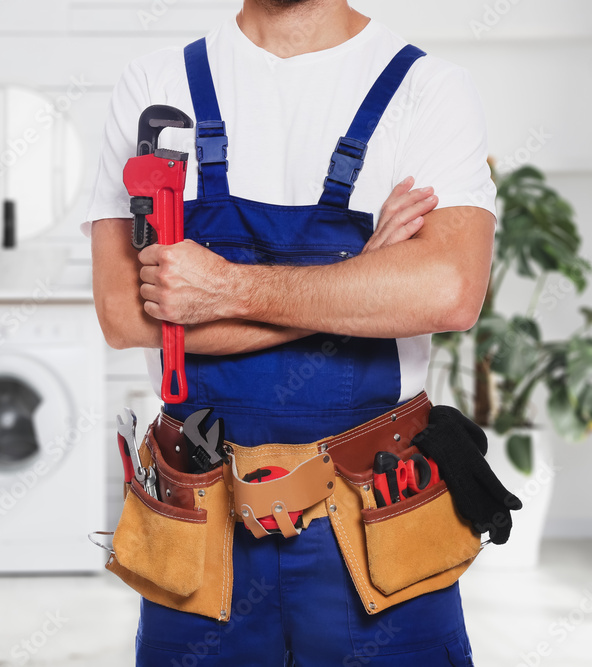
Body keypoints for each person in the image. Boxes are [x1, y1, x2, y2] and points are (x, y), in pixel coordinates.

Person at [85, 1, 498, 664]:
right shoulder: (155, 86)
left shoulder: (427, 89)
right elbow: (125, 315)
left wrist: (225, 290)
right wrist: (363, 279)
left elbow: (448, 292)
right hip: (200, 527)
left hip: (377, 524)